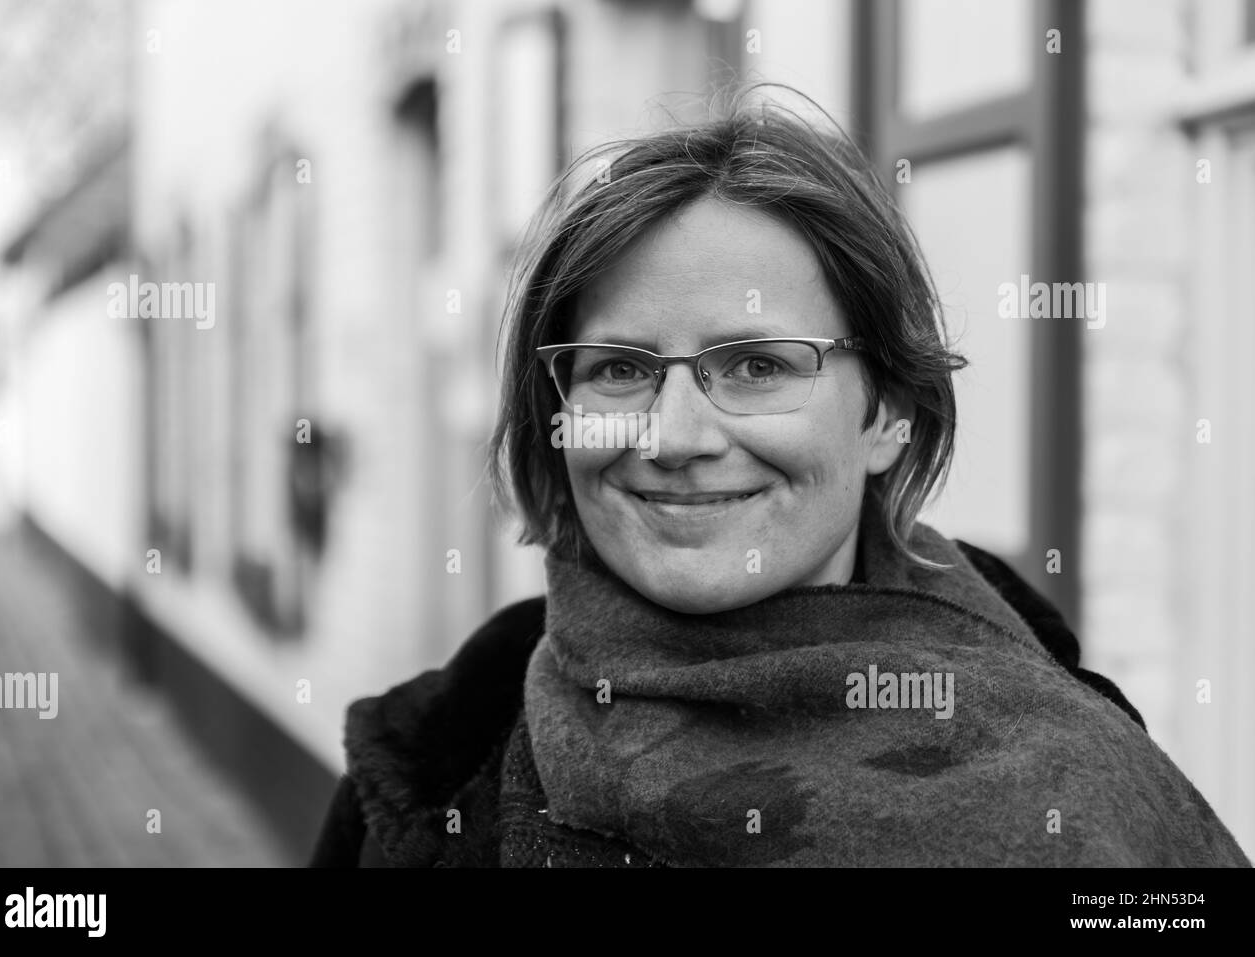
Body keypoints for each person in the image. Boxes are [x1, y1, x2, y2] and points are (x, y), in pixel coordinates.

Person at [309, 84, 1251, 868]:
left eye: (757, 365)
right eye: (621, 367)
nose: (674, 436)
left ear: (887, 412)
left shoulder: (1074, 791)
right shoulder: (425, 770)